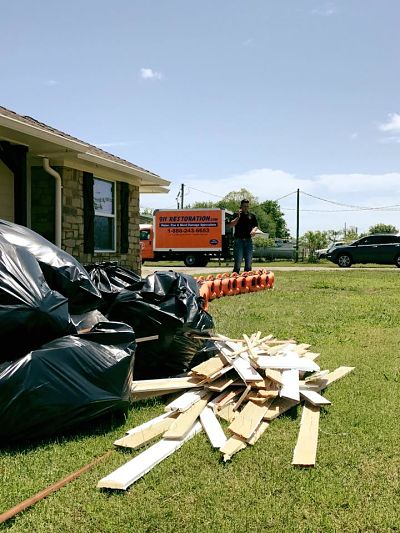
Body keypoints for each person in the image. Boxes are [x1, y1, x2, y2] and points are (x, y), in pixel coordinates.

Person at [228, 199, 258, 274]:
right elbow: (231, 225)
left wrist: (254, 230)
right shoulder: (236, 214)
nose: (246, 208)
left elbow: (255, 226)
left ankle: (247, 279)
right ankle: (234, 278)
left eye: (247, 206)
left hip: (248, 241)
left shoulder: (252, 216)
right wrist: (238, 217)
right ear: (241, 206)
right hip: (239, 241)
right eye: (244, 206)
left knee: (249, 261)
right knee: (238, 261)